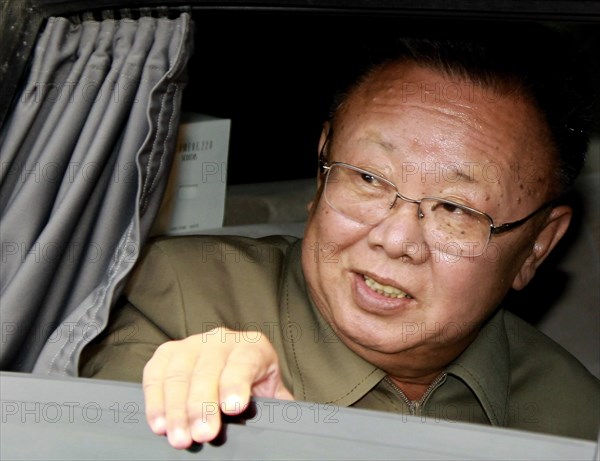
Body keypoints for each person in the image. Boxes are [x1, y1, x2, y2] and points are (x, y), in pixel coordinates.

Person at [79, 24, 600, 449]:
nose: (395, 239)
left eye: (455, 208)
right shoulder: (171, 301)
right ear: (323, 167)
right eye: (369, 178)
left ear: (538, 246)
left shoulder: (571, 416)